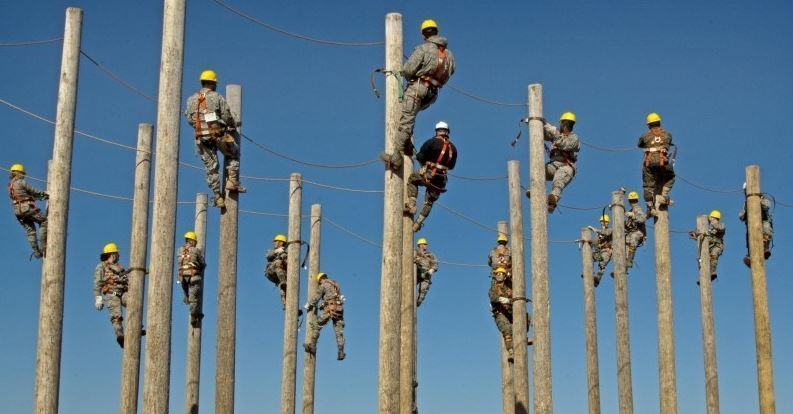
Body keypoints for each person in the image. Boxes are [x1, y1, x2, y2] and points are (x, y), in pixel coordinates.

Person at [379, 19, 455, 170]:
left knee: (405, 119)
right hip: (432, 94)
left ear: (423, 34)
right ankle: (406, 143)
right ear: (436, 32)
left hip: (418, 89)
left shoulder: (423, 49)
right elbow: (451, 71)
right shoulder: (449, 54)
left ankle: (395, 157)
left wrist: (405, 75)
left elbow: (408, 70)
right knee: (410, 116)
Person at [184, 69, 244, 208]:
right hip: (217, 135)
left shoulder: (191, 100)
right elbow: (227, 116)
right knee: (233, 152)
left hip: (201, 138)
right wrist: (231, 126)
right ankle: (232, 181)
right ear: (213, 83)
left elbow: (189, 119)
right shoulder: (217, 97)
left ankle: (217, 197)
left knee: (211, 168)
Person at [405, 121, 458, 231]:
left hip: (429, 173)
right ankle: (418, 223)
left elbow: (420, 156)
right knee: (429, 202)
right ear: (447, 132)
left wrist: (426, 163)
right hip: (442, 179)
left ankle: (411, 205)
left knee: (412, 179)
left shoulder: (432, 142)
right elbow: (451, 166)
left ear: (437, 131)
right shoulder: (453, 149)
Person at [525, 112, 581, 213]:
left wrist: (550, 128)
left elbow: (566, 145)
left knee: (558, 180)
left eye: (569, 124)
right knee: (539, 170)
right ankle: (535, 190)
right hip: (554, 165)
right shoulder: (557, 135)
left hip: (566, 166)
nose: (566, 126)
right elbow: (544, 133)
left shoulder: (574, 137)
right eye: (567, 123)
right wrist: (535, 123)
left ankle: (553, 199)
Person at [488, 267, 532, 363]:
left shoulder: (509, 286)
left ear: (504, 276)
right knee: (507, 330)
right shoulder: (493, 288)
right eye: (498, 274)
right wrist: (506, 300)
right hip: (500, 313)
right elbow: (493, 298)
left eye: (501, 274)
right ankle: (511, 352)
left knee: (526, 317)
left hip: (510, 311)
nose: (499, 276)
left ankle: (524, 337)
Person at [94, 243, 132, 348]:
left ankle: (135, 327)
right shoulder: (101, 266)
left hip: (123, 292)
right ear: (113, 254)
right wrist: (98, 298)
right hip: (112, 294)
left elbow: (128, 279)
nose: (119, 256)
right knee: (116, 316)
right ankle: (120, 336)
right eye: (117, 253)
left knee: (134, 303)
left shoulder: (120, 267)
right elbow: (97, 283)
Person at [7, 163, 48, 258]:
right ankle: (44, 247)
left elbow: (25, 195)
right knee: (43, 221)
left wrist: (39, 197)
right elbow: (33, 191)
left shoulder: (10, 186)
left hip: (18, 212)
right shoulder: (21, 182)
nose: (23, 176)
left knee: (30, 231)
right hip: (26, 208)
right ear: (18, 173)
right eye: (22, 174)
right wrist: (45, 194)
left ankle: (37, 252)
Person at [638, 112, 675, 216]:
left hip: (649, 162)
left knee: (648, 185)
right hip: (662, 161)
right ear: (659, 122)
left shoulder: (645, 136)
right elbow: (668, 141)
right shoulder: (667, 134)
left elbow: (639, 144)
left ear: (649, 124)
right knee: (670, 177)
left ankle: (650, 207)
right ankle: (663, 195)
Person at [304, 272, 346, 361]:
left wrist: (309, 304)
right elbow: (333, 297)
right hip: (339, 310)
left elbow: (317, 296)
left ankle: (312, 345)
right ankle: (341, 352)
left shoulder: (324, 285)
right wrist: (322, 305)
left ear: (320, 279)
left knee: (317, 325)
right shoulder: (335, 285)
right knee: (339, 332)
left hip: (330, 309)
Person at [738, 183, 773, 267]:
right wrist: (747, 210)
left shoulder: (763, 198)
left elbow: (766, 206)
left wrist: (758, 200)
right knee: (750, 238)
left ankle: (765, 248)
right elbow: (741, 216)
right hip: (751, 226)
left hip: (763, 221)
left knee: (766, 229)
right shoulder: (746, 203)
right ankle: (751, 255)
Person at [177, 231, 206, 326]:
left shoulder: (179, 250)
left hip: (182, 277)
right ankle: (194, 316)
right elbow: (202, 263)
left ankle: (186, 296)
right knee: (194, 298)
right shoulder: (196, 250)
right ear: (193, 241)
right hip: (194, 276)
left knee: (187, 294)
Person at [624, 191, 647, 269]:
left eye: (634, 201)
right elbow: (627, 226)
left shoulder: (637, 209)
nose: (633, 203)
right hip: (631, 232)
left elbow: (642, 219)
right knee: (624, 243)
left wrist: (633, 216)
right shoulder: (630, 210)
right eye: (632, 201)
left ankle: (629, 260)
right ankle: (624, 266)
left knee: (633, 237)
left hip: (639, 232)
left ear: (637, 201)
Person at [265, 234, 289, 307]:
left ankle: (288, 305)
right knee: (278, 262)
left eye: (276, 241)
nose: (274, 243)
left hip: (280, 274)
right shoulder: (272, 251)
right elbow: (268, 255)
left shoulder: (286, 253)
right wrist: (277, 251)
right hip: (271, 271)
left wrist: (285, 256)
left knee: (284, 287)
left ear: (281, 242)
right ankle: (283, 281)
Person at [414, 238, 439, 307]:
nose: (426, 245)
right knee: (410, 288)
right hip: (416, 273)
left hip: (426, 275)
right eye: (424, 244)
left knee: (422, 292)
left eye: (426, 244)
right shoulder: (414, 252)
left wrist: (431, 270)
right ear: (420, 245)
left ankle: (416, 305)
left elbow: (435, 264)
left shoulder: (430, 255)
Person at [589, 215, 612, 287]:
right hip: (599, 251)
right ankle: (589, 273)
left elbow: (606, 233)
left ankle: (597, 279)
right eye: (602, 222)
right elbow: (595, 242)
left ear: (607, 223)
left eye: (604, 222)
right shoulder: (598, 234)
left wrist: (596, 230)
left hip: (606, 251)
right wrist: (588, 242)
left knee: (602, 264)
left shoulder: (610, 230)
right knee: (589, 258)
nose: (603, 223)